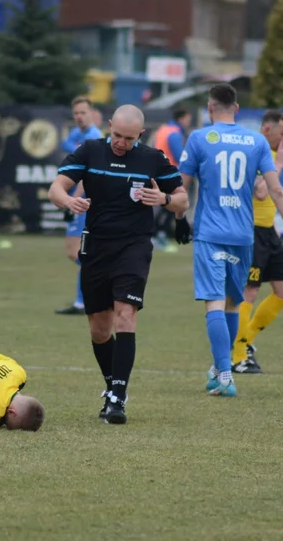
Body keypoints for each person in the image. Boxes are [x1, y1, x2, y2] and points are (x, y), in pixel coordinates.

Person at [48, 104, 188, 424]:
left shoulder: (152, 158)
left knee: (125, 315)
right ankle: (112, 385)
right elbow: (55, 188)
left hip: (134, 246)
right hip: (96, 246)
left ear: (140, 134)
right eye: (116, 135)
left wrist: (164, 200)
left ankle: (118, 398)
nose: (121, 143)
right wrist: (69, 200)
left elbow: (182, 198)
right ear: (109, 126)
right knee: (99, 330)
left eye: (128, 138)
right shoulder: (90, 151)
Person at [175, 85, 283, 397]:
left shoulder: (199, 138)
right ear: (236, 108)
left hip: (210, 233)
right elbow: (274, 190)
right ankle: (220, 366)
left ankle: (225, 374)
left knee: (214, 302)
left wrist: (179, 220)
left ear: (210, 107)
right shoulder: (256, 141)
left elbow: (182, 187)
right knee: (234, 303)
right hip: (244, 235)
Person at [232, 110, 283, 374]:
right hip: (251, 232)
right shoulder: (256, 151)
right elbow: (260, 192)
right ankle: (237, 358)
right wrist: (280, 164)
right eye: (282, 134)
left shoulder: (271, 153)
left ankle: (246, 341)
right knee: (249, 292)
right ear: (267, 129)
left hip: (269, 232)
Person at [55, 96, 105, 316]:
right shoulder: (80, 135)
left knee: (79, 252)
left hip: (85, 202)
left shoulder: (94, 137)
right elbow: (65, 146)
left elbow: (87, 176)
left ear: (92, 113)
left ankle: (85, 297)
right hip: (79, 201)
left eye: (83, 112)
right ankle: (83, 298)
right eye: (76, 113)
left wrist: (71, 201)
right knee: (75, 252)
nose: (79, 117)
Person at [152, 107, 192, 250]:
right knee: (171, 205)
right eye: (188, 119)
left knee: (161, 205)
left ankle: (156, 234)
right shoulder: (175, 133)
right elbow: (180, 157)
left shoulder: (163, 129)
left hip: (158, 171)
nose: (189, 122)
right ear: (181, 119)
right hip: (170, 174)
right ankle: (159, 234)